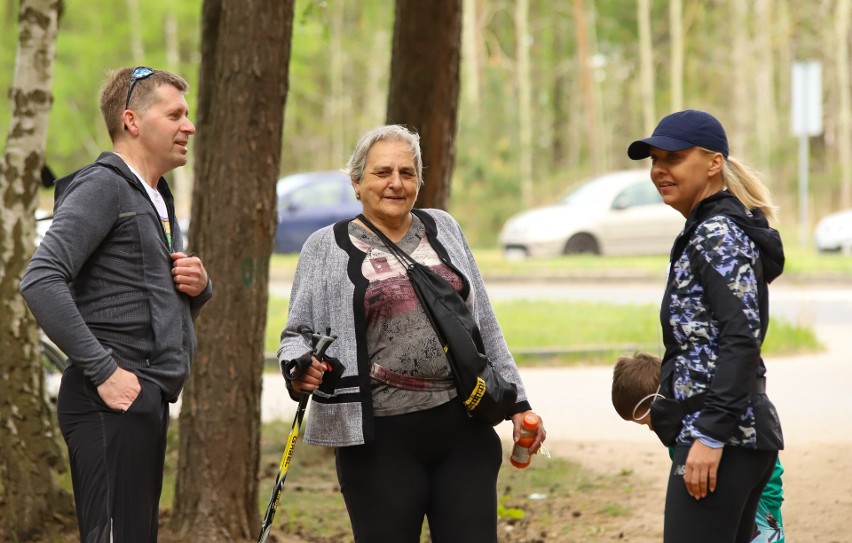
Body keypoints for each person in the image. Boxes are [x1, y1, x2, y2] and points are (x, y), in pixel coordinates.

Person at [277, 124, 545, 542]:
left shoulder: (443, 228)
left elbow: (484, 323)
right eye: (382, 172)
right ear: (357, 182)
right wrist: (299, 366)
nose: (396, 183)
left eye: (407, 172)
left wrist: (517, 402)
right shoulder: (324, 247)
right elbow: (296, 334)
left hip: (463, 429)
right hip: (378, 442)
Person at [20, 66, 211, 543]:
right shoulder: (103, 186)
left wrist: (197, 289)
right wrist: (105, 371)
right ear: (132, 121)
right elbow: (40, 279)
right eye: (175, 115)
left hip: (143, 398)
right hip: (108, 398)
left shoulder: (157, 199)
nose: (188, 126)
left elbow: (145, 309)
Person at [626, 109, 785, 543]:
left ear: (713, 163)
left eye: (673, 159)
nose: (660, 171)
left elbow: (742, 337)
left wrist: (711, 436)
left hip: (723, 439)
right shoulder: (711, 229)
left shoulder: (717, 233)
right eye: (654, 160)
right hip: (731, 436)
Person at [612, 352, 785, 543]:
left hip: (761, 513)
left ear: (659, 399)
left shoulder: (709, 421)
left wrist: (770, 505)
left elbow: (768, 469)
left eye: (647, 422)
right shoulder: (677, 440)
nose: (652, 428)